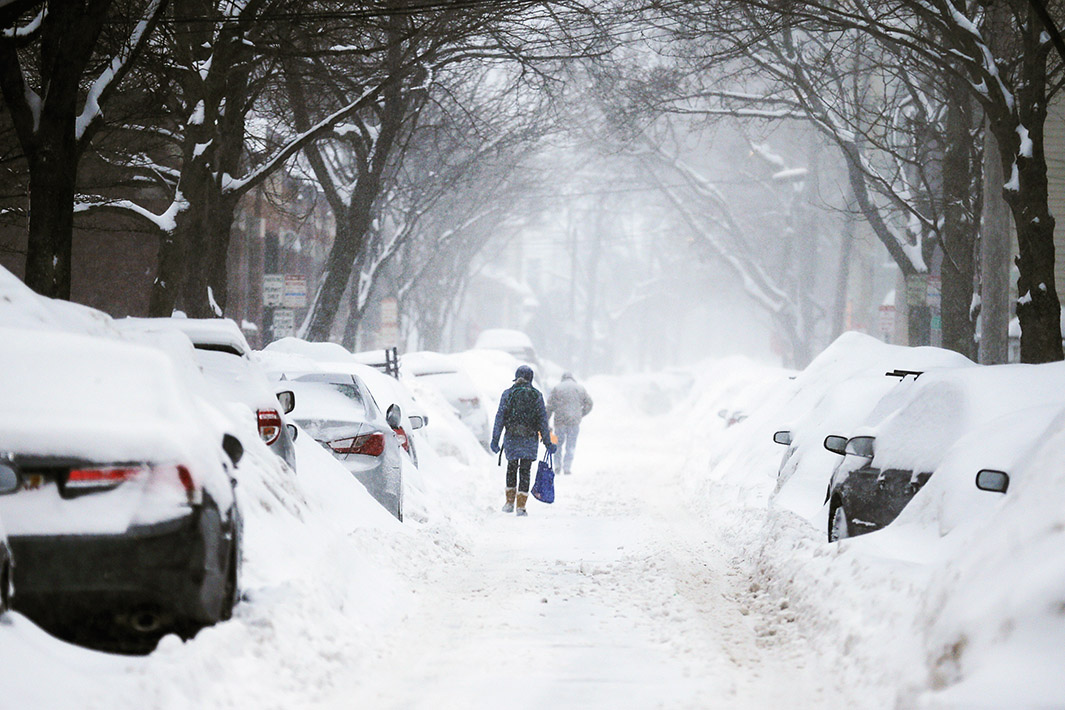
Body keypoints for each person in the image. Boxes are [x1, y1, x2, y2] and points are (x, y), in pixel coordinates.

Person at [491, 365, 555, 516]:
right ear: (531, 378)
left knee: (511, 468)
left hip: (512, 437)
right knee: (525, 471)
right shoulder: (536, 395)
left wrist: (495, 440)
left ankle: (509, 502)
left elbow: (500, 417)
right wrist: (547, 442)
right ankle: (521, 506)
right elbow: (542, 421)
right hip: (529, 438)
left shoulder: (508, 394)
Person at [546, 372, 593, 476]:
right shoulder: (580, 388)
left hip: (560, 421)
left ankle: (557, 466)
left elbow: (549, 406)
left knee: (557, 444)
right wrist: (581, 413)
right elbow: (589, 403)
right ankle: (567, 467)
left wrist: (546, 421)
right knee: (570, 445)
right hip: (574, 422)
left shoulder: (557, 388)